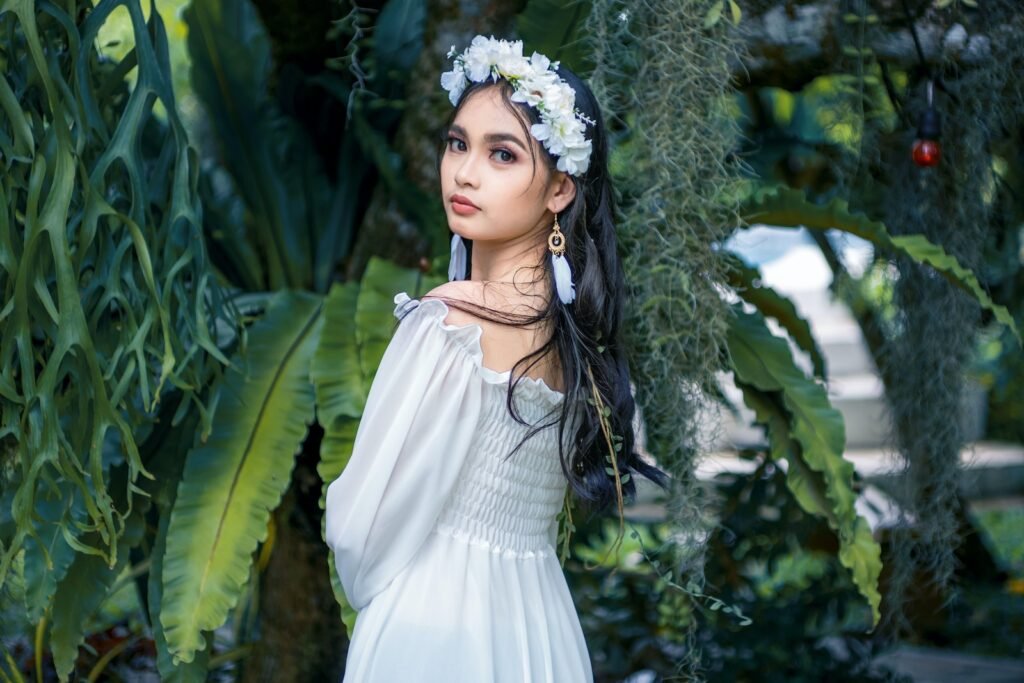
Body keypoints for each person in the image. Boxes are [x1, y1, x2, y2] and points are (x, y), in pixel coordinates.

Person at [324, 35, 670, 682]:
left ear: (560, 189)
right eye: (457, 143)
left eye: (502, 154)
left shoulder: (451, 319)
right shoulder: (570, 335)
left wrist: (378, 601)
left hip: (432, 628)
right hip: (540, 628)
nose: (465, 171)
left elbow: (357, 530)